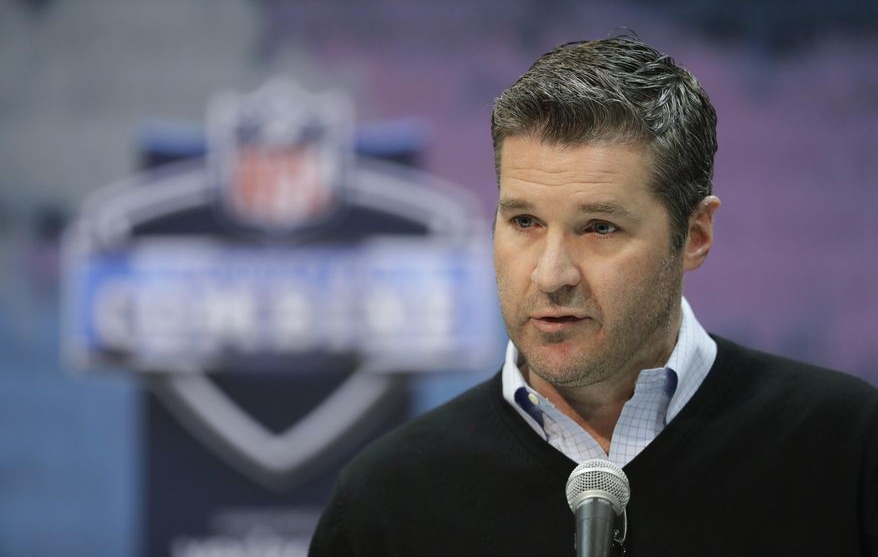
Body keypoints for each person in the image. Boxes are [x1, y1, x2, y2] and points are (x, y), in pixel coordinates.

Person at [308, 36, 878, 556]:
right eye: (525, 221)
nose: (551, 275)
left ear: (695, 236)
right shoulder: (387, 500)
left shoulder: (847, 448)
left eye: (600, 227)